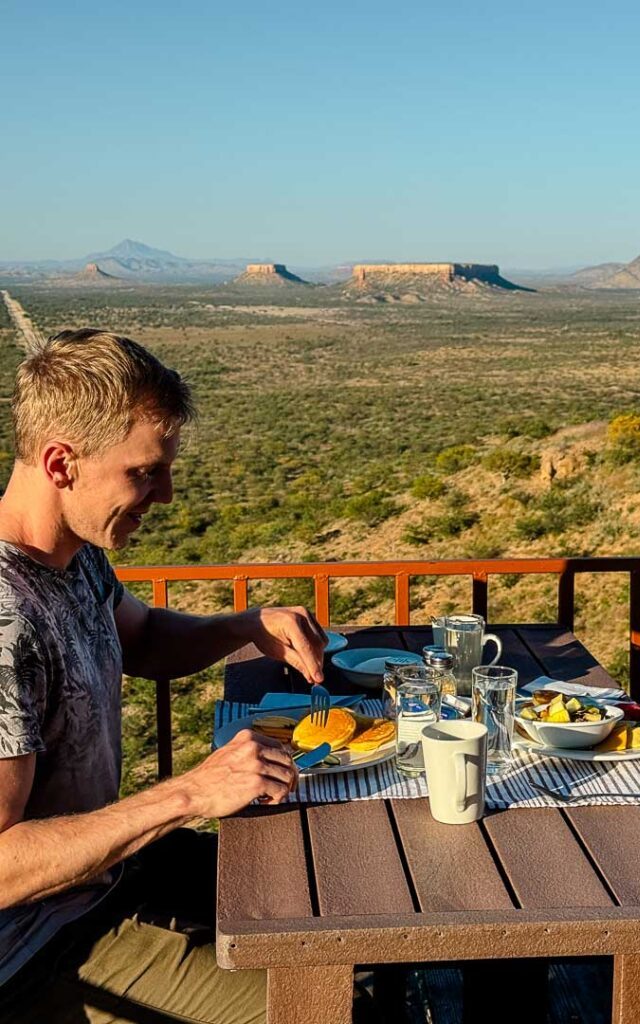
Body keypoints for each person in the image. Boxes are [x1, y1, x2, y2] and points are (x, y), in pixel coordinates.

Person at [0, 329, 332, 1024]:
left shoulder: (73, 558)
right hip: (36, 943)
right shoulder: (6, 620)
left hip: (107, 874)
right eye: (145, 472)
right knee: (327, 1000)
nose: (168, 494)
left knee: (325, 889)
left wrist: (244, 626)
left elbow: (145, 638)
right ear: (61, 463)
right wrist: (188, 795)